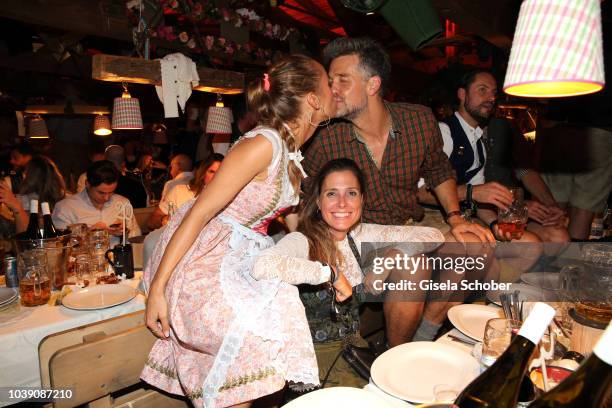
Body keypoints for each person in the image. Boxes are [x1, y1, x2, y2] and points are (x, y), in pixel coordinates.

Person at [142, 54, 336, 407]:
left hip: (240, 251)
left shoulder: (289, 148)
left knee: (255, 366)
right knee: (248, 346)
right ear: (313, 99)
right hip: (204, 254)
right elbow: (198, 213)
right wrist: (158, 289)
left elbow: (286, 218)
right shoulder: (262, 144)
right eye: (329, 84)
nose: (334, 90)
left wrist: (322, 257)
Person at [300, 37, 494, 346]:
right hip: (361, 237)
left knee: (476, 246)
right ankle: (395, 355)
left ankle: (424, 336)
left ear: (372, 85)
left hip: (410, 225)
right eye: (330, 80)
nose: (332, 89)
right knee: (413, 265)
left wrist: (456, 218)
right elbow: (305, 201)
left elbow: (438, 170)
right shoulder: (325, 138)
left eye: (342, 80)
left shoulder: (417, 120)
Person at [252, 158, 443, 389]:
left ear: (361, 200)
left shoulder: (359, 235)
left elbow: (433, 235)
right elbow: (262, 266)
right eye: (332, 194)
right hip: (312, 361)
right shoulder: (302, 241)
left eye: (351, 193)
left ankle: (403, 355)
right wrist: (328, 273)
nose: (342, 203)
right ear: (318, 202)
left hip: (354, 352)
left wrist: (391, 257)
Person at [52, 160, 140, 245]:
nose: (106, 198)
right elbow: (60, 246)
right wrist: (89, 233)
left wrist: (125, 232)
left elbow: (136, 238)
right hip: (84, 259)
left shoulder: (122, 203)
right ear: (87, 184)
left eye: (111, 192)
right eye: (101, 193)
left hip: (118, 257)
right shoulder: (65, 208)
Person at [146, 153, 223, 232]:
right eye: (212, 172)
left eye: (220, 172)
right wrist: (164, 220)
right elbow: (151, 222)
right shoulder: (180, 191)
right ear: (203, 173)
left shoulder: (229, 199)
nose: (216, 176)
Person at [0, 155, 66, 234]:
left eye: (25, 172)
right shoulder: (66, 199)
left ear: (29, 175)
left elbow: (26, 235)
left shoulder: (23, 200)